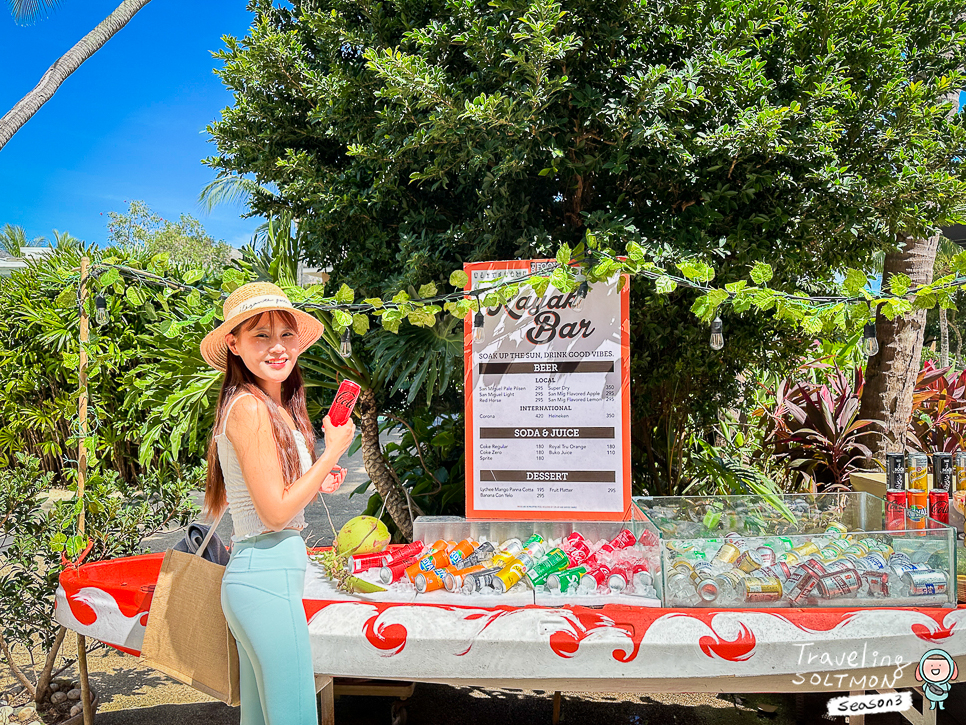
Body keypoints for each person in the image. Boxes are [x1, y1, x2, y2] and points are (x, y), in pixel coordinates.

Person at [200, 281, 356, 725]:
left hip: (263, 576)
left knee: (265, 718)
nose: (277, 347)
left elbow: (271, 492)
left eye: (286, 335)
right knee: (295, 716)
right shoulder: (249, 408)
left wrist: (319, 472)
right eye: (261, 336)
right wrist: (331, 452)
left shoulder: (272, 405)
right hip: (264, 577)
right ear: (234, 343)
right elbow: (275, 513)